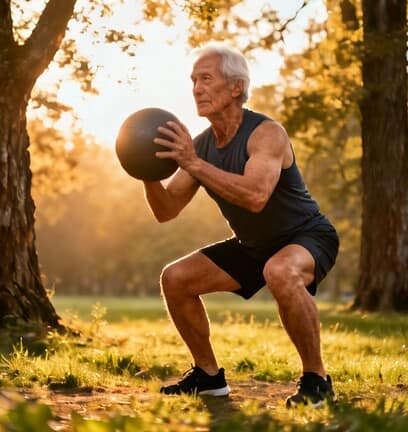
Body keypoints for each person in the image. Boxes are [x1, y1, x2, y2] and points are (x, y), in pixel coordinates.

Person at [143, 43, 339, 408]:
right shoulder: (200, 146)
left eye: (206, 79)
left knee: (280, 270)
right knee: (176, 279)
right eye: (193, 81)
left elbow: (256, 196)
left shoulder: (266, 133)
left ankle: (317, 380)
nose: (197, 88)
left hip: (307, 235)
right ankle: (209, 377)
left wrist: (193, 163)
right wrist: (147, 172)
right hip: (253, 245)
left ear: (235, 87)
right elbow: (166, 210)